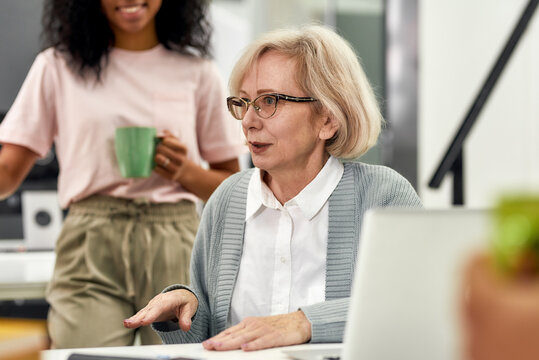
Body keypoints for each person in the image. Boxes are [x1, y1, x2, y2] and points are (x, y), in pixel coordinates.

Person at [124, 24, 422, 351]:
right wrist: (185, 307)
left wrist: (304, 322)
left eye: (269, 101)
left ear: (328, 119)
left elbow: (413, 308)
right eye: (244, 103)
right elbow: (208, 338)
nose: (249, 120)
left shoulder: (384, 196)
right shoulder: (227, 198)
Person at [0, 0, 246, 348]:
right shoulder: (57, 67)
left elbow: (232, 188)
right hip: (90, 244)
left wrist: (182, 170)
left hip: (176, 243)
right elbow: (8, 172)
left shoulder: (197, 71)